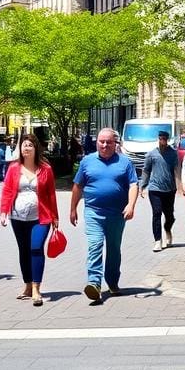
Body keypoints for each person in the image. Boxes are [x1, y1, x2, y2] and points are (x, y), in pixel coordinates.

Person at [70, 127, 138, 303]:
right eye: (101, 141)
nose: (105, 145)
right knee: (95, 244)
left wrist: (131, 205)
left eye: (108, 142)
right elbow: (78, 186)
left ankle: (113, 282)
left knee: (114, 249)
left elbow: (133, 185)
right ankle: (94, 283)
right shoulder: (87, 161)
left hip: (117, 214)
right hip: (93, 212)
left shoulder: (125, 162)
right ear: (97, 142)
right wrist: (73, 209)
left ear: (115, 143)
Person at [0, 133, 59, 306]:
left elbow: (51, 194)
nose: (26, 148)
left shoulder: (45, 169)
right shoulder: (13, 168)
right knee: (24, 250)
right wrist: (3, 212)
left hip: (41, 216)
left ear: (36, 148)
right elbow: (8, 191)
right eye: (24, 145)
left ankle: (36, 288)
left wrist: (55, 217)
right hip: (17, 217)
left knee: (36, 247)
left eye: (30, 145)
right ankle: (27, 285)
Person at [139, 130, 179, 252]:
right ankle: (157, 241)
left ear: (167, 140)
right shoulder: (152, 154)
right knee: (157, 213)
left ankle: (167, 229)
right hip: (154, 189)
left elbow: (177, 169)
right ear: (158, 139)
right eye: (161, 138)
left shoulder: (173, 154)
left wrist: (181, 186)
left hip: (169, 189)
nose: (162, 141)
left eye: (165, 139)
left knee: (169, 215)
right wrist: (142, 186)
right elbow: (146, 170)